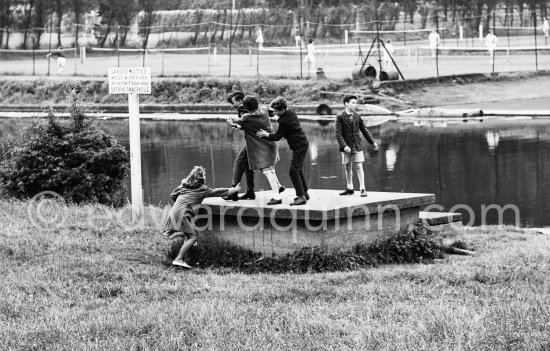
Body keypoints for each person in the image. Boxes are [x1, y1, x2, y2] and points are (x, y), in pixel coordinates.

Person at [163, 166, 240, 268]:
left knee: (189, 234)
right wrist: (233, 190)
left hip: (174, 212)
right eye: (204, 175)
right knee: (193, 236)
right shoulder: (202, 189)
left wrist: (184, 201)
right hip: (183, 215)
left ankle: (177, 242)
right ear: (202, 178)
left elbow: (173, 195)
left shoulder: (183, 186)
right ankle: (178, 259)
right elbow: (217, 192)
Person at [227, 95, 284, 205]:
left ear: (246, 107)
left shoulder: (247, 117)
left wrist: (230, 122)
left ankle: (277, 196)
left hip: (263, 146)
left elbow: (238, 120)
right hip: (269, 143)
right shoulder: (262, 109)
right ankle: (278, 187)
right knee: (267, 169)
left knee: (267, 169)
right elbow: (269, 112)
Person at [256, 97, 310, 206]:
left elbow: (277, 137)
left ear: (282, 110)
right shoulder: (289, 111)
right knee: (297, 170)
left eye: (276, 111)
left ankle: (301, 197)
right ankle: (304, 193)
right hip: (302, 143)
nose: (274, 112)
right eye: (273, 110)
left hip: (299, 145)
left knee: (293, 171)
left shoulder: (284, 121)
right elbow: (275, 112)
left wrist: (265, 134)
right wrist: (268, 110)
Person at [335, 95, 378, 197]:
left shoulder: (357, 116)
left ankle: (362, 188)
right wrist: (344, 146)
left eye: (356, 102)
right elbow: (338, 134)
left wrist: (373, 142)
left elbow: (364, 130)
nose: (355, 105)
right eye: (353, 102)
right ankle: (350, 188)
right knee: (348, 167)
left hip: (357, 146)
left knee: (359, 166)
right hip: (346, 147)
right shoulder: (340, 116)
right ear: (346, 104)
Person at [224, 91, 256, 201]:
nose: (232, 105)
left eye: (233, 103)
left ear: (240, 101)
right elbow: (246, 125)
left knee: (238, 162)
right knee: (247, 165)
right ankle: (250, 191)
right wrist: (237, 125)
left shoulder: (242, 108)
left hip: (253, 141)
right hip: (254, 139)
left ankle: (233, 192)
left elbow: (246, 124)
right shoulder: (248, 108)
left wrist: (232, 124)